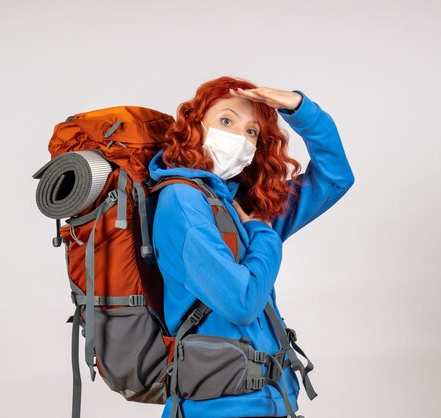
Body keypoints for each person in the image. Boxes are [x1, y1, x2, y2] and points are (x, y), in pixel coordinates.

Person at [148, 76, 355, 418]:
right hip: (218, 408)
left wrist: (301, 110)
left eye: (251, 132)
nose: (239, 138)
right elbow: (240, 302)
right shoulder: (182, 201)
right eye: (226, 121)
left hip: (271, 400)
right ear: (195, 126)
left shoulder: (238, 204)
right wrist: (264, 233)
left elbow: (335, 178)